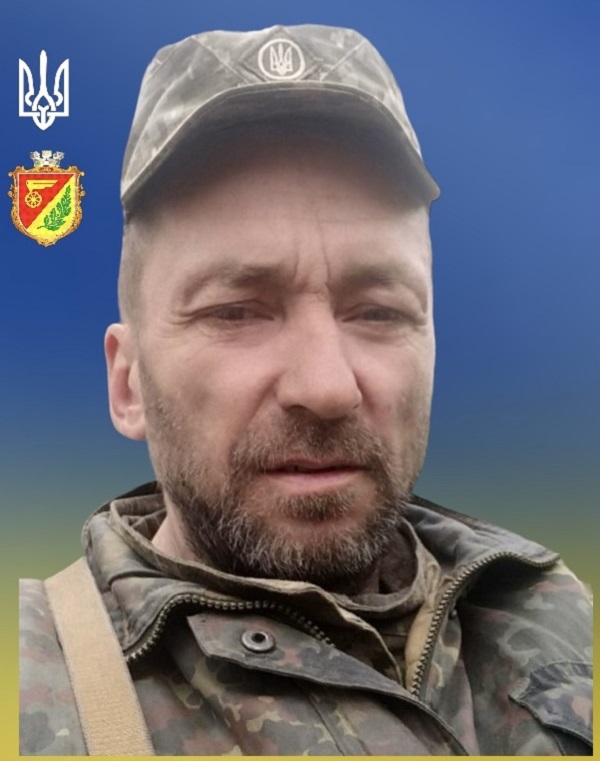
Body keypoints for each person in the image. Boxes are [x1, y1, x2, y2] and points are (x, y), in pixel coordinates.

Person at [19, 23, 592, 756]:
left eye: (379, 311)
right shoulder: (36, 674)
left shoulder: (561, 617)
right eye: (235, 311)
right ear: (127, 383)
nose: (326, 386)